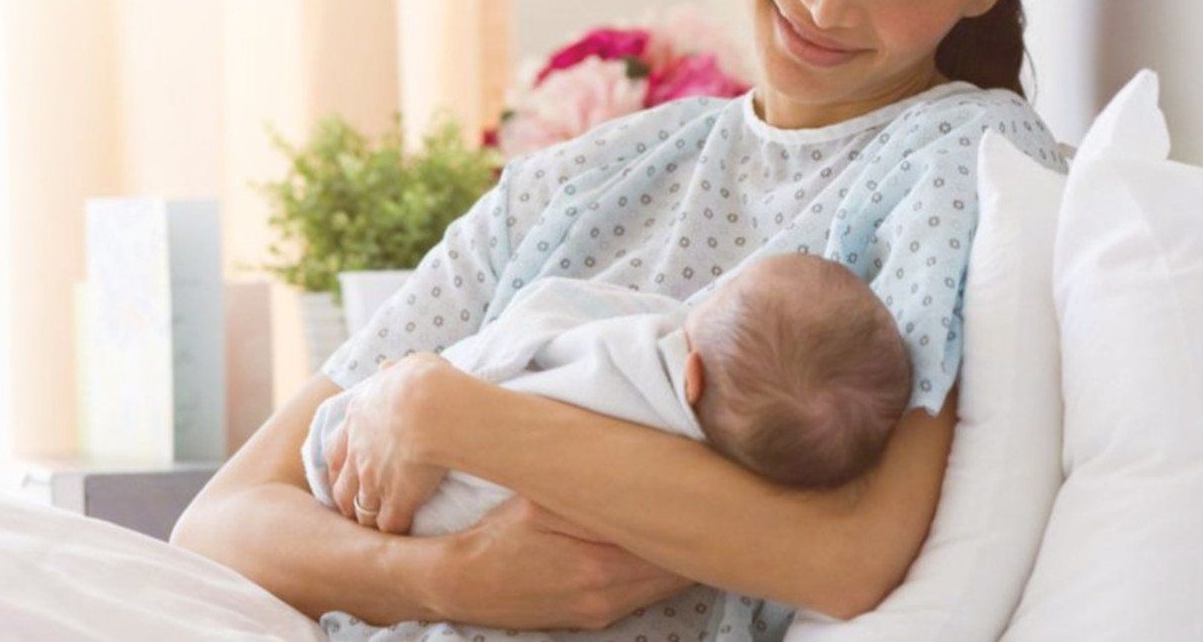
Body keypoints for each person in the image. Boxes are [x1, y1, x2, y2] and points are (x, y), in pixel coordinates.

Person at [170, 0, 1073, 638]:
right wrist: (447, 578)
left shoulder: (964, 170)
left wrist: (449, 415)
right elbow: (220, 524)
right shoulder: (579, 181)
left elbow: (846, 553)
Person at [304, 254, 912, 546]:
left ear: (691, 376)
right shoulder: (729, 476)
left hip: (386, 475)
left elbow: (541, 317)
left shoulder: (642, 349)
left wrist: (431, 386)